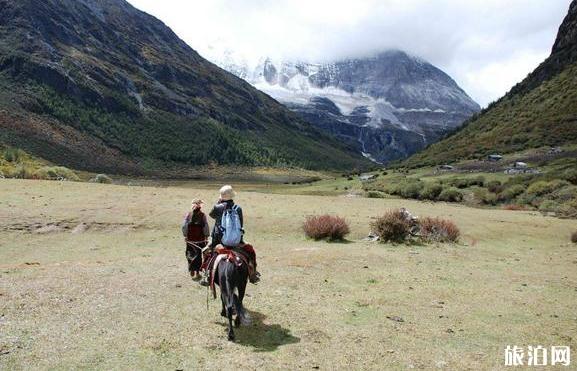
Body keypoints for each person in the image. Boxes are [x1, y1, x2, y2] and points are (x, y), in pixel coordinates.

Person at [199, 185, 260, 286]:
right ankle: (253, 274)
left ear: (221, 196)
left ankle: (206, 275)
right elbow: (241, 225)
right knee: (251, 251)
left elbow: (211, 215)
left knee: (205, 252)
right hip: (237, 241)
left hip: (218, 241)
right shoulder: (238, 208)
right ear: (232, 196)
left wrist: (218, 202)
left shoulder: (217, 207)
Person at [181, 199, 210, 280]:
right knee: (198, 256)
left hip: (190, 240)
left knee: (190, 254)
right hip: (200, 240)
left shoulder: (188, 215)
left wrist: (185, 235)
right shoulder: (203, 215)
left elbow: (184, 226)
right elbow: (205, 226)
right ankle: (197, 273)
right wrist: (206, 236)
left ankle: (192, 271)